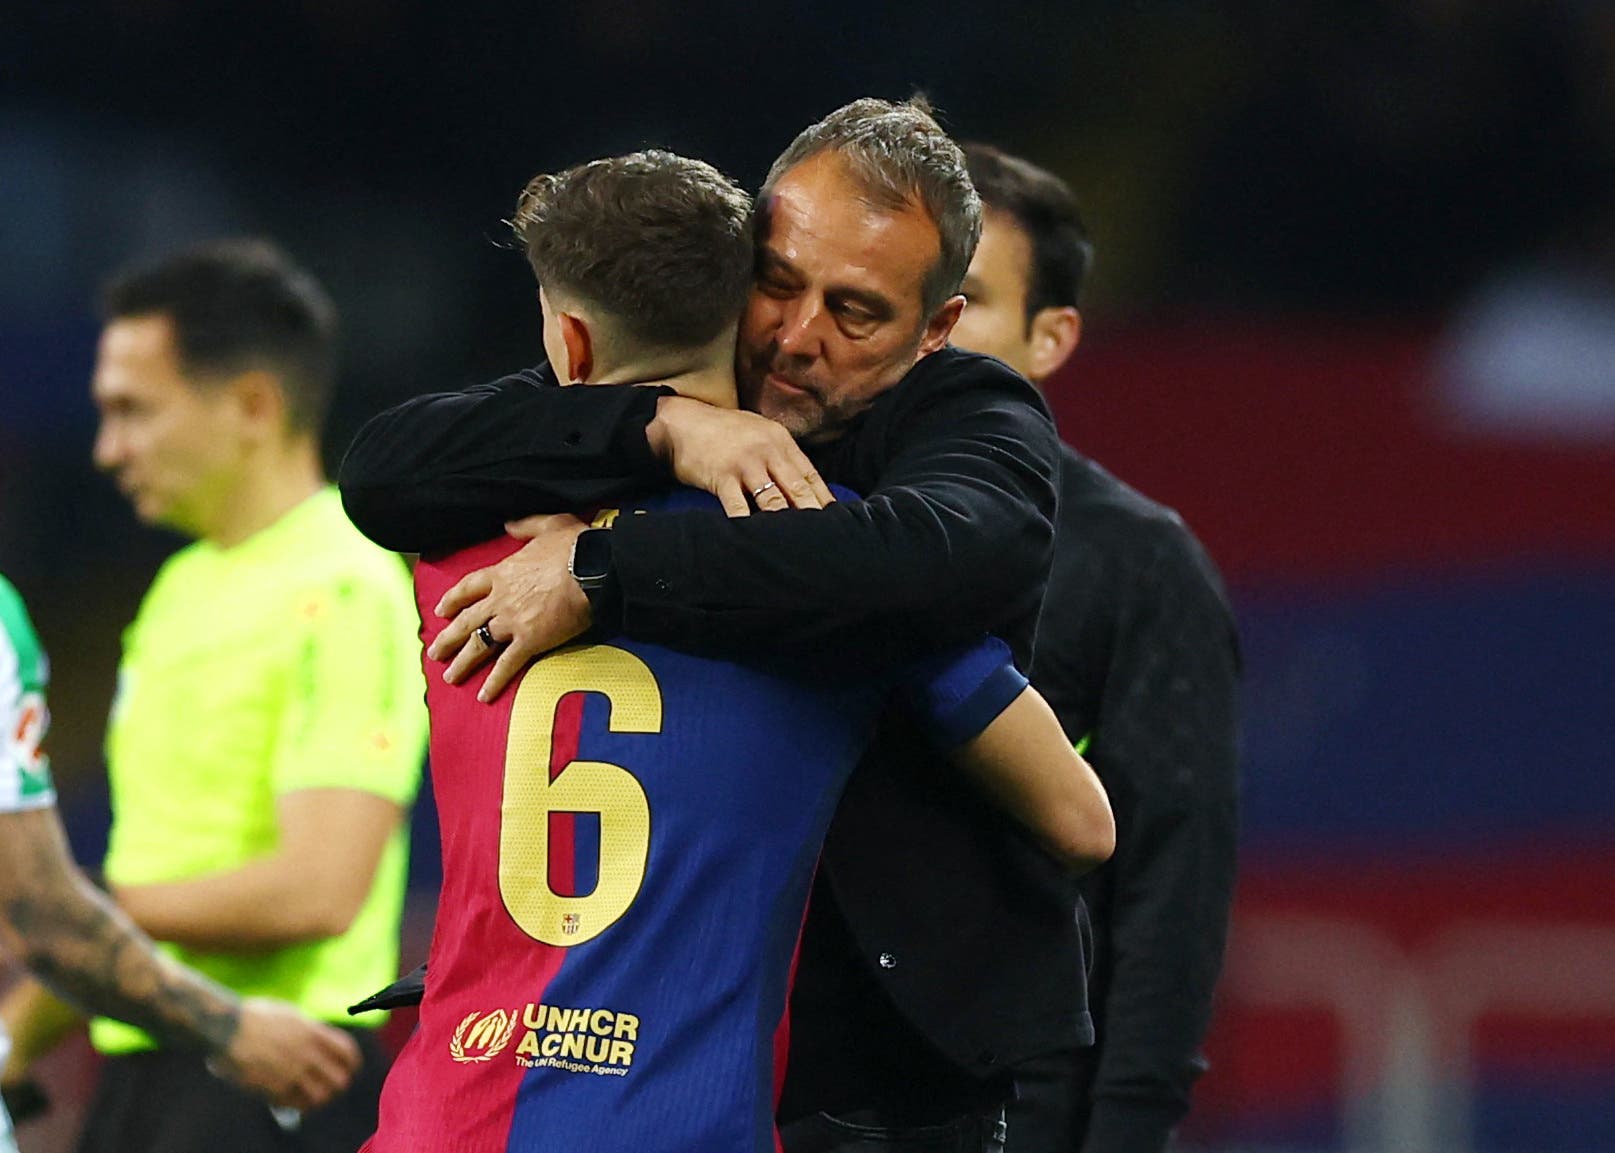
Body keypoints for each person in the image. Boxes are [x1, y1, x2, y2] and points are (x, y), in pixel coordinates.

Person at [339, 98, 1091, 1149]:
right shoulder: (647, 409)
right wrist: (665, 424)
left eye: (855, 312)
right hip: (672, 1067)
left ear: (936, 331)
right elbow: (384, 468)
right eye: (777, 283)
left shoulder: (968, 419)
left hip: (883, 1062)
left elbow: (946, 554)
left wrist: (606, 569)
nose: (796, 336)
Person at [1, 240, 429, 1153]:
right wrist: (15, 1034)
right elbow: (149, 885)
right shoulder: (179, 587)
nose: (109, 450)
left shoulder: (346, 581)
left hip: (277, 1070)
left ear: (252, 405)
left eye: (133, 411)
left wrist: (68, 908)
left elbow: (317, 890)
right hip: (146, 1061)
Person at [949, 142, 1241, 1153]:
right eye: (911, 291)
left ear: (1050, 337)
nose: (929, 326)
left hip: (1025, 1116)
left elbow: (1170, 896)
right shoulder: (795, 514)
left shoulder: (1138, 564)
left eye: (968, 297)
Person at [0, 574, 361, 1153]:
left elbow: (318, 893)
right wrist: (230, 1028)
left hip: (274, 1048)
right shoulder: (170, 595)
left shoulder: (342, 584)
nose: (111, 474)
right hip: (213, 1047)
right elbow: (40, 908)